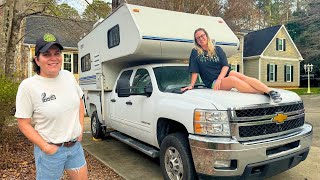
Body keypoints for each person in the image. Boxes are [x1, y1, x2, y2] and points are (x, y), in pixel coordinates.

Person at [15, 33, 88, 180]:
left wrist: (80, 128)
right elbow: (23, 123)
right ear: (37, 59)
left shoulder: (68, 76)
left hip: (75, 148)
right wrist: (45, 147)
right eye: (46, 54)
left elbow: (79, 101)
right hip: (50, 151)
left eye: (57, 53)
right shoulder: (28, 86)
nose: (53, 58)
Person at [181, 28, 282, 103]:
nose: (201, 38)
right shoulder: (195, 52)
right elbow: (195, 70)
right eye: (198, 38)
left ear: (206, 36)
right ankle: (262, 92)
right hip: (213, 81)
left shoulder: (218, 49)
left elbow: (225, 66)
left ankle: (270, 91)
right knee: (234, 80)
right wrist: (191, 85)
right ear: (196, 41)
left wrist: (221, 78)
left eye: (202, 35)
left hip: (223, 75)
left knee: (243, 77)